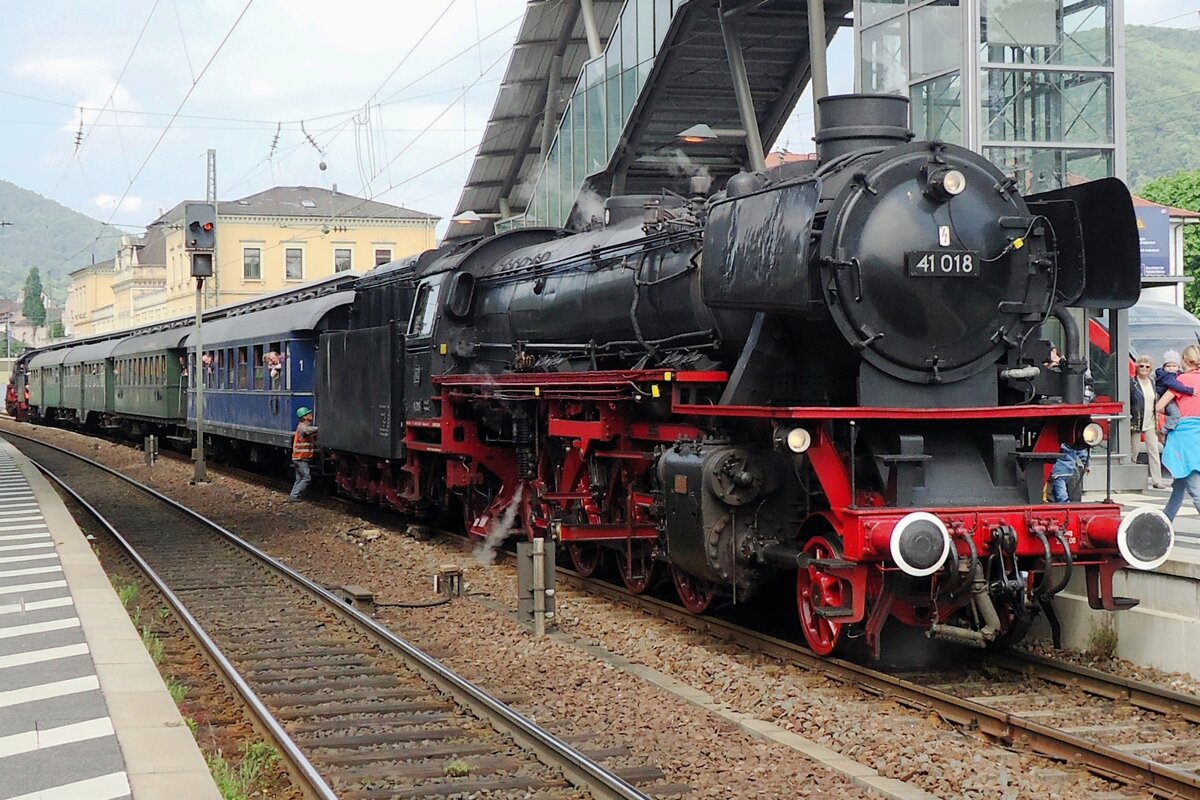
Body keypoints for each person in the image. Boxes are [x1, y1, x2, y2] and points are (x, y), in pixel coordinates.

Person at [1156, 344, 1200, 520]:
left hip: (1184, 437)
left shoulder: (1182, 380)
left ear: (1183, 360)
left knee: (1194, 487)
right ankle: (1166, 520)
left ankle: (1164, 523)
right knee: (1180, 485)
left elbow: (1159, 406)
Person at [1131, 355, 1167, 489]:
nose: (1144, 369)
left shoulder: (1152, 382)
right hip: (1136, 421)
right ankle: (1131, 478)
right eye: (1141, 366)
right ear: (1137, 367)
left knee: (1154, 450)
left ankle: (1157, 480)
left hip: (1151, 421)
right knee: (1133, 451)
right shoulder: (1132, 383)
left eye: (1147, 366)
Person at [288, 406, 318, 502]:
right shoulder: (302, 427)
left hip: (298, 457)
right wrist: (320, 428)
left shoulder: (303, 427)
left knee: (299, 478)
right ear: (304, 417)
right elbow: (307, 430)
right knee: (306, 477)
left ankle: (293, 495)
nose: (311, 415)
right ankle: (294, 496)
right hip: (300, 457)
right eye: (308, 414)